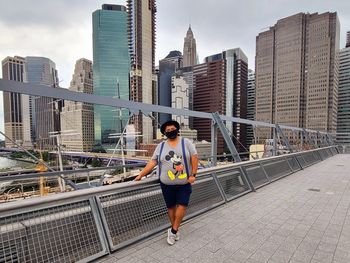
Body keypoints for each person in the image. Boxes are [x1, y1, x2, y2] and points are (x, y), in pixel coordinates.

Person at [135, 120, 198, 245]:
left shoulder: (186, 142)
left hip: (184, 182)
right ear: (164, 133)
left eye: (172, 129)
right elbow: (153, 162)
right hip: (166, 184)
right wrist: (141, 174)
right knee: (170, 207)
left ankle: (173, 231)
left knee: (182, 205)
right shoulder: (161, 146)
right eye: (167, 130)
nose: (170, 131)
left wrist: (193, 175)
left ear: (177, 129)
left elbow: (194, 157)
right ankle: (175, 229)